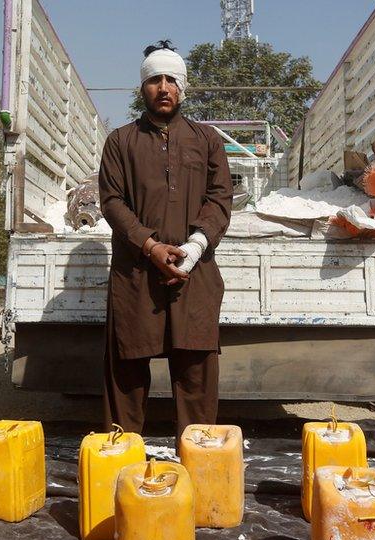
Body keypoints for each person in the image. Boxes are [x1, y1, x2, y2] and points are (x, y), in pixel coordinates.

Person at [98, 40, 234, 441]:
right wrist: (150, 245)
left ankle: (199, 461)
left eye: (170, 79)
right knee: (126, 373)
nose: (163, 87)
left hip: (194, 274)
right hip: (136, 273)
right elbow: (112, 201)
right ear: (143, 88)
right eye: (154, 79)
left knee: (196, 374)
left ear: (182, 87)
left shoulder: (207, 139)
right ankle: (120, 460)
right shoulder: (120, 142)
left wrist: (193, 249)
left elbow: (220, 197)